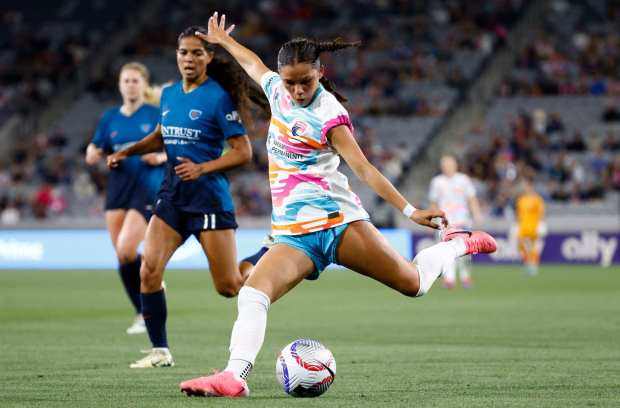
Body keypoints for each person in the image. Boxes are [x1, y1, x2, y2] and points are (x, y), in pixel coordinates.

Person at [179, 12, 497, 397]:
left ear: (320, 72)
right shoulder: (277, 90)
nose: (297, 91)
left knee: (413, 285)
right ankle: (234, 377)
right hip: (294, 236)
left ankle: (458, 244)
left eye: (306, 82)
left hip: (338, 223)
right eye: (290, 82)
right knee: (252, 294)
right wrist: (224, 43)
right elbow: (253, 64)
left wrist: (411, 211)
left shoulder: (329, 115)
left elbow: (363, 169)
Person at [106, 26, 269, 368]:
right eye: (184, 52)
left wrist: (203, 168)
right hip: (172, 198)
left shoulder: (218, 97)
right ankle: (160, 351)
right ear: (176, 55)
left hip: (209, 201)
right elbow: (160, 136)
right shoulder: (169, 95)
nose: (189, 58)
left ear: (209, 56)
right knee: (148, 270)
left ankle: (265, 253)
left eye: (197, 52)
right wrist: (128, 152)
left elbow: (243, 152)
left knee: (228, 286)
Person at [85, 62, 166, 335]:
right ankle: (143, 307)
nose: (130, 85)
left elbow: (175, 148)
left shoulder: (156, 114)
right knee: (123, 257)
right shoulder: (109, 118)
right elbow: (97, 145)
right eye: (126, 80)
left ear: (144, 84)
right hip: (117, 188)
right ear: (120, 85)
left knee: (126, 248)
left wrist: (160, 157)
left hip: (145, 188)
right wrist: (92, 152)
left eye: (135, 80)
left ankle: (147, 304)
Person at [429, 155, 482, 288]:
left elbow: (471, 198)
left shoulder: (463, 180)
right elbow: (433, 203)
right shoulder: (437, 182)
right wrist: (432, 220)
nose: (447, 167)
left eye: (449, 164)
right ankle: (449, 279)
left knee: (465, 252)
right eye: (445, 164)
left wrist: (476, 214)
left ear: (455, 165)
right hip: (445, 223)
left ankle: (465, 277)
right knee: (446, 252)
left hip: (462, 220)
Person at [516, 179, 545, 275]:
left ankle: (533, 266)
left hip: (533, 226)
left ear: (530, 187)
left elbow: (541, 213)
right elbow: (519, 214)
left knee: (533, 247)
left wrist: (541, 225)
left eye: (526, 186)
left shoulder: (537, 199)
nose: (524, 188)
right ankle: (528, 263)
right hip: (523, 226)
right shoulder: (521, 200)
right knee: (522, 246)